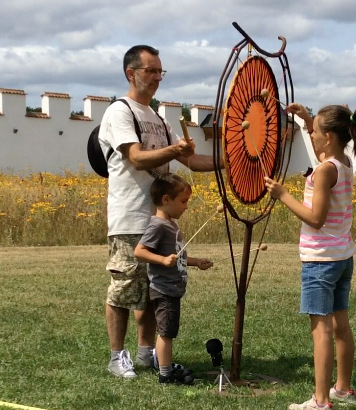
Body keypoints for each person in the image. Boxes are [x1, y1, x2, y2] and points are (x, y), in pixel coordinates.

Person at [99, 44, 220, 378]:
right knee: (125, 289)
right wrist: (173, 148)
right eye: (150, 71)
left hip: (158, 219)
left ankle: (145, 352)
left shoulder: (158, 118)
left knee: (155, 290)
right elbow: (136, 157)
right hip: (130, 216)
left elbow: (191, 161)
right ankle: (116, 356)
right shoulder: (120, 112)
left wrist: (232, 164)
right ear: (131, 73)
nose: (156, 78)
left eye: (159, 72)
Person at [264, 103, 356, 410]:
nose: (310, 134)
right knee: (340, 325)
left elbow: (316, 218)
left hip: (320, 260)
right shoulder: (343, 161)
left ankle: (321, 401)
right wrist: (309, 119)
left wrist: (283, 195)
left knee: (321, 328)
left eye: (314, 131)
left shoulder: (324, 171)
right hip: (342, 257)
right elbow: (322, 152)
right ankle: (343, 389)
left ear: (329, 137)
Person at [134, 173, 213, 384]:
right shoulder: (157, 225)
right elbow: (140, 252)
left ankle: (166, 367)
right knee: (166, 333)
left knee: (168, 331)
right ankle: (166, 373)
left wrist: (195, 262)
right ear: (166, 200)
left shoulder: (171, 225)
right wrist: (161, 259)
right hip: (163, 289)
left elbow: (177, 257)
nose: (186, 207)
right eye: (183, 201)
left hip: (173, 288)